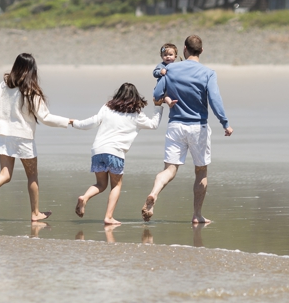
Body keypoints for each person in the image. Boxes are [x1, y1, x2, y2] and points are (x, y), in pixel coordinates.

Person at [143, 35, 233, 225]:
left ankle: (154, 193)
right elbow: (215, 101)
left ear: (184, 49)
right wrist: (225, 123)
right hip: (198, 127)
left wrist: (167, 98)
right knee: (201, 171)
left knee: (169, 169)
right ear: (201, 51)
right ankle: (197, 215)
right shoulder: (208, 73)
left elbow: (157, 94)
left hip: (175, 125)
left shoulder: (169, 69)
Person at [0, 53, 70, 222]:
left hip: (4, 136)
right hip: (24, 138)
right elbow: (45, 117)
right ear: (31, 69)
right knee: (32, 176)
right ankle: (35, 214)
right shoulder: (31, 90)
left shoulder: (3, 86)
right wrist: (67, 121)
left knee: (4, 174)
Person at [69, 83, 159, 226]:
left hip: (98, 151)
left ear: (118, 95)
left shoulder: (107, 107)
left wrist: (75, 123)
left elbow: (91, 122)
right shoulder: (136, 114)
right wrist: (158, 107)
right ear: (135, 97)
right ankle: (109, 217)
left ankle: (85, 197)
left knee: (100, 184)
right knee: (116, 186)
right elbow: (154, 124)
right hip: (115, 153)